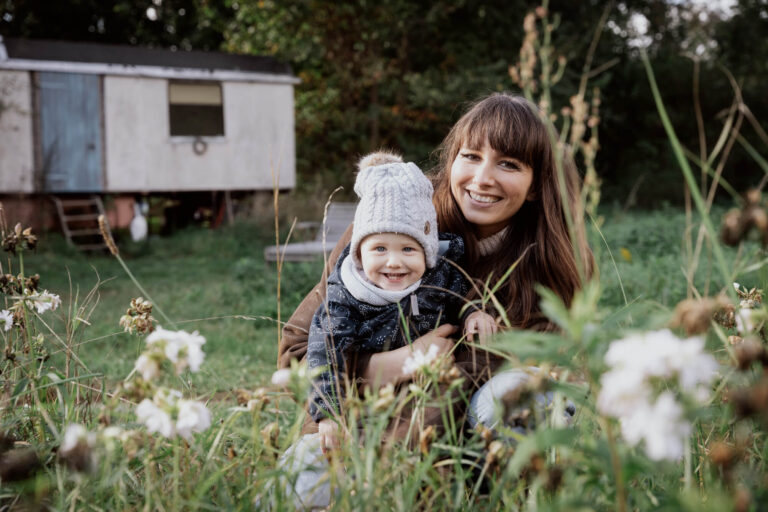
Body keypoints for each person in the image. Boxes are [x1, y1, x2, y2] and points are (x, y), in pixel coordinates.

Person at [276, 93, 593, 506]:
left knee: (523, 394)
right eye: (471, 156)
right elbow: (297, 355)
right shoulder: (387, 225)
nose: (482, 178)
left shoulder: (548, 263)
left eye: (509, 164)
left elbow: (536, 373)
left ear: (536, 185)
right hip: (351, 429)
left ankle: (483, 501)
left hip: (455, 451)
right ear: (452, 160)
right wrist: (396, 363)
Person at [306, 152, 495, 452]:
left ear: (427, 252)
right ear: (359, 253)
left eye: (408, 248)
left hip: (422, 407)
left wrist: (475, 313)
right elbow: (324, 354)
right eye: (379, 248)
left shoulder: (439, 278)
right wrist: (328, 412)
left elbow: (465, 295)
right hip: (364, 407)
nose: (394, 262)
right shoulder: (346, 296)